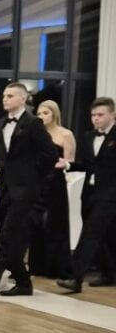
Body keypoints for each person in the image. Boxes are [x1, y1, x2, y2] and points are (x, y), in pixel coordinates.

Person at [0, 82, 58, 303]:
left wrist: (33, 178)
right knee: (6, 236)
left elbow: (50, 155)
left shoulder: (33, 124)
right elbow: (1, 160)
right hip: (4, 188)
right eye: (4, 95)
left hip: (26, 191)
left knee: (8, 236)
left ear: (23, 99)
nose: (5, 99)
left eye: (10, 96)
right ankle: (23, 282)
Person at [57, 96, 116, 293]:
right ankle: (109, 273)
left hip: (110, 194)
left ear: (113, 115)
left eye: (100, 115)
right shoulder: (88, 136)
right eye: (93, 115)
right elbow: (86, 165)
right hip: (90, 193)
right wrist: (68, 165)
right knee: (106, 235)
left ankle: (75, 277)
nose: (96, 118)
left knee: (90, 234)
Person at [28, 100, 75, 279]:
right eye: (39, 113)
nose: (41, 117)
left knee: (54, 222)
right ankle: (36, 265)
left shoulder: (65, 134)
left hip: (55, 181)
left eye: (45, 113)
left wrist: (62, 164)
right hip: (37, 181)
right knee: (36, 222)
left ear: (54, 114)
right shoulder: (36, 135)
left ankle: (57, 267)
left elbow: (70, 160)